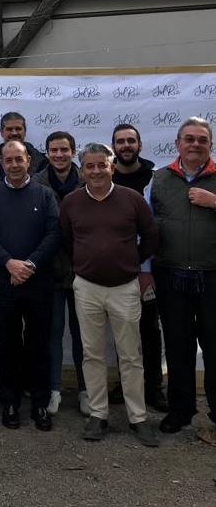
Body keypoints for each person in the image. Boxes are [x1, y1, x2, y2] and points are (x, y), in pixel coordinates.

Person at [60, 143, 160, 447]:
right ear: (82, 170)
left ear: (111, 166)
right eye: (89, 166)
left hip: (125, 288)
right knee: (92, 354)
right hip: (87, 287)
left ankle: (138, 417)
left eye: (102, 165)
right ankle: (98, 414)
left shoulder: (132, 199)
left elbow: (152, 235)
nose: (96, 171)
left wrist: (130, 263)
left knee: (130, 355)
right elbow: (66, 240)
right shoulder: (71, 202)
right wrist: (85, 264)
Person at [0, 140, 60, 430]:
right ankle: (11, 402)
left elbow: (53, 234)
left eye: (19, 159)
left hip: (38, 282)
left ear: (29, 161)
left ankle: (39, 405)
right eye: (8, 160)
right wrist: (9, 263)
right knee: (8, 345)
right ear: (1, 163)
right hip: (4, 282)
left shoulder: (45, 194)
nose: (14, 165)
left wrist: (29, 265)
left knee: (39, 345)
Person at [150, 117, 216, 433]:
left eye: (201, 139)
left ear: (210, 145)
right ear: (177, 144)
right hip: (171, 277)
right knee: (177, 346)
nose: (195, 144)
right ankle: (181, 410)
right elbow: (147, 231)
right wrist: (145, 271)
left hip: (212, 277)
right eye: (188, 139)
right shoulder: (160, 179)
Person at [110, 124, 168, 413]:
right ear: (114, 148)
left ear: (140, 145)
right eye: (120, 142)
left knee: (149, 329)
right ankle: (126, 384)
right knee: (123, 331)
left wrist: (145, 268)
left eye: (131, 141)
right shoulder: (105, 176)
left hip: (146, 267)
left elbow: (154, 228)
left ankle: (154, 387)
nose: (126, 146)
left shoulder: (154, 178)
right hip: (115, 267)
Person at [32, 131, 86, 417]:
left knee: (84, 337)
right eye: (54, 150)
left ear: (73, 152)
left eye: (64, 149)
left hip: (83, 273)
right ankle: (52, 389)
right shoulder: (37, 184)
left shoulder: (87, 179)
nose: (59, 155)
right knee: (51, 335)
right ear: (47, 153)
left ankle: (86, 390)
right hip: (49, 273)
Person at [0, 112, 47, 183]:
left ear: (25, 132)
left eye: (18, 129)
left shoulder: (42, 162)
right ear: (1, 132)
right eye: (9, 129)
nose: (14, 133)